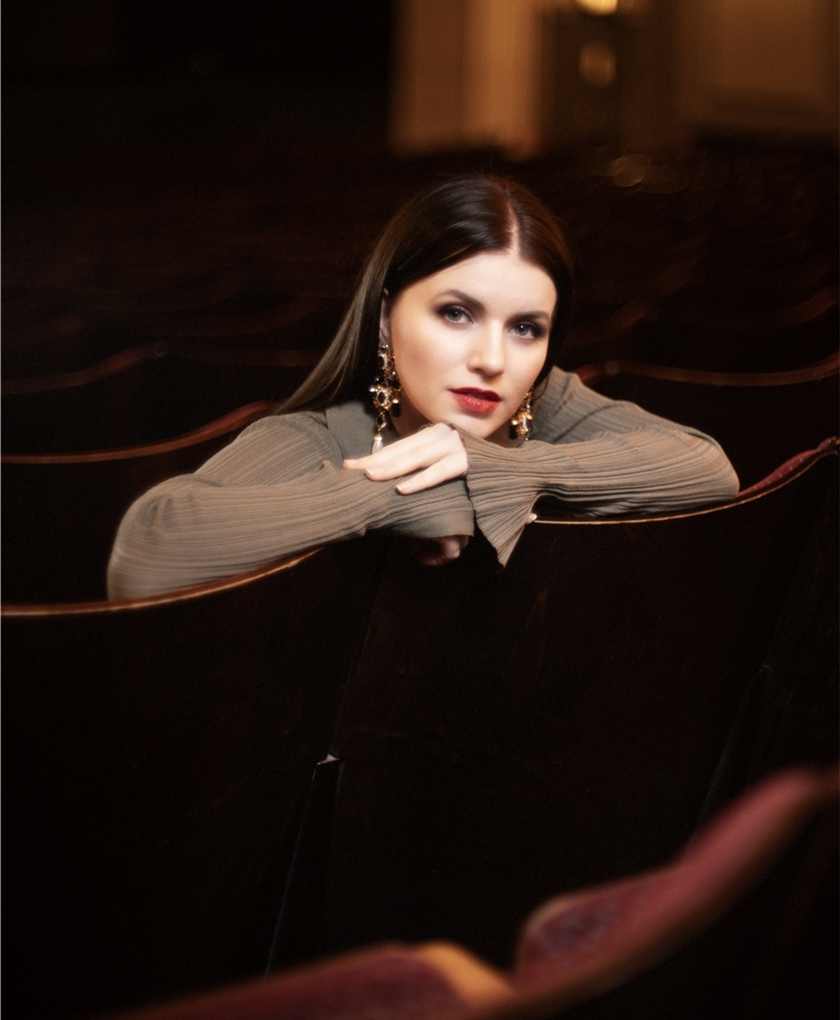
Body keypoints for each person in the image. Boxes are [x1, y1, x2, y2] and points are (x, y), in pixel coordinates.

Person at [107, 175, 739, 599]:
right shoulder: (321, 438)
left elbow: (708, 467)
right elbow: (145, 556)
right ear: (387, 317)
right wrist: (395, 494)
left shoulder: (544, 403)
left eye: (525, 328)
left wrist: (500, 471)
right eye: (456, 313)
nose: (492, 360)